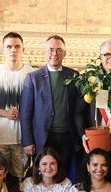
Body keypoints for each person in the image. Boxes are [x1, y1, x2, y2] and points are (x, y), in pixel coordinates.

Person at [20, 35, 82, 173]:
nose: (55, 54)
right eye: (51, 50)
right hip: (42, 137)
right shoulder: (33, 78)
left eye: (59, 50)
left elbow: (79, 109)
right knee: (43, 176)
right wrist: (27, 140)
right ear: (45, 52)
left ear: (65, 53)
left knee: (63, 174)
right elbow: (25, 113)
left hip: (67, 136)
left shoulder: (74, 76)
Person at [0, 32, 35, 182]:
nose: (13, 50)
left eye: (17, 46)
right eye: (9, 47)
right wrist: (5, 113)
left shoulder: (32, 74)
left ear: (23, 49)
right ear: (3, 49)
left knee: (19, 181)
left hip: (23, 139)